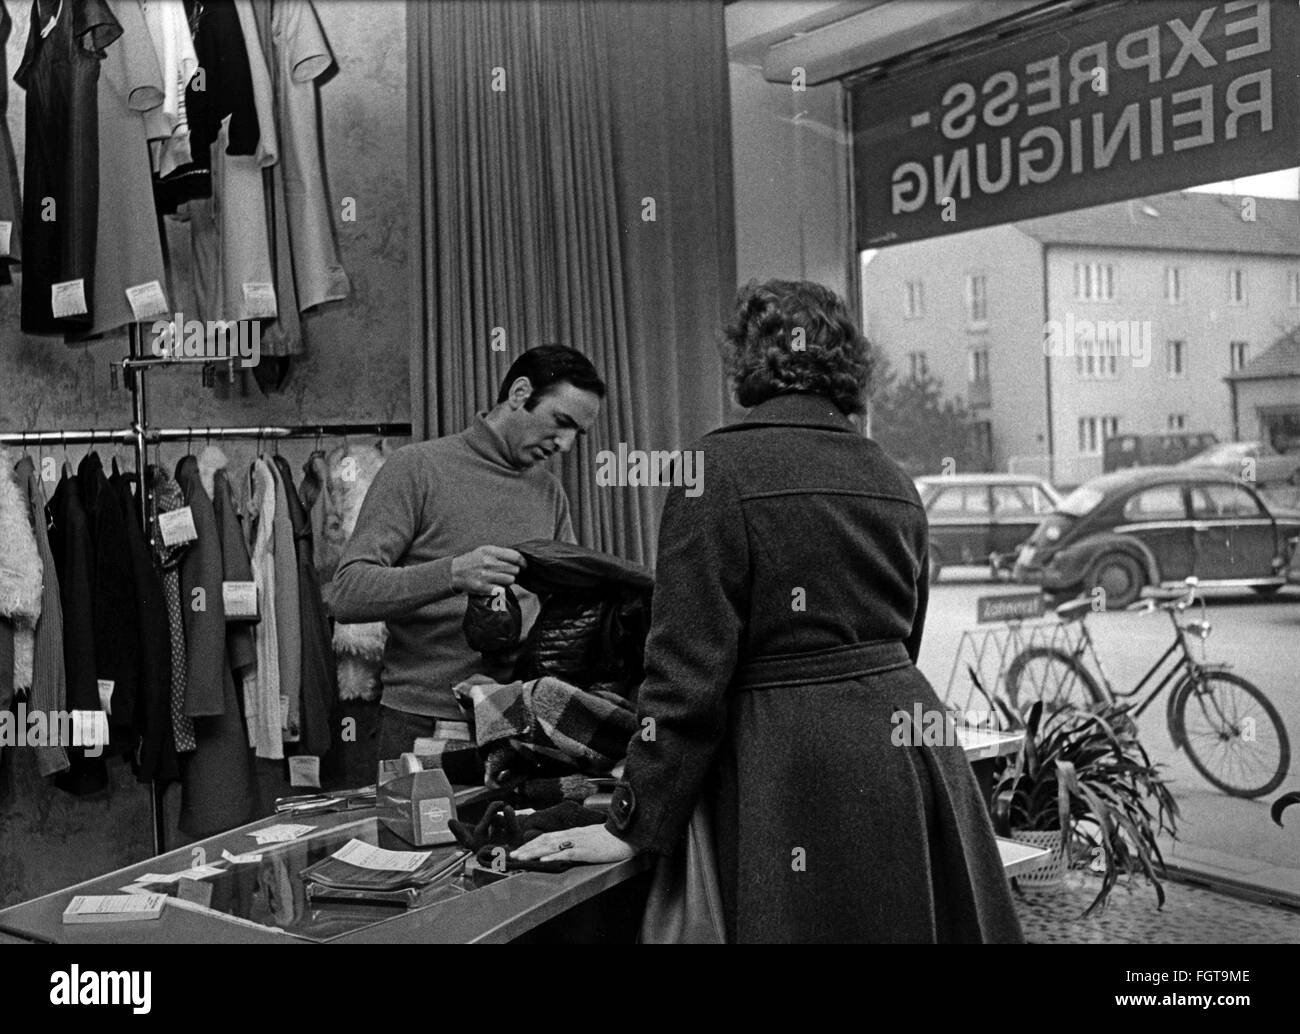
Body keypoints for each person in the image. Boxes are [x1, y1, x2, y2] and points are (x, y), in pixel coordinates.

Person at [513, 280, 1024, 944]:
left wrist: (633, 822)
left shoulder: (716, 469)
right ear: (850, 364)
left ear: (747, 360)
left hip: (789, 767)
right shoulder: (892, 476)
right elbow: (907, 637)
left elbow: (686, 676)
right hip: (909, 751)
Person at [331, 345, 605, 758]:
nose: (565, 445)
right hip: (420, 722)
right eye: (561, 422)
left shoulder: (549, 493)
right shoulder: (415, 469)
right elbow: (347, 593)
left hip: (517, 720)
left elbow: (563, 615)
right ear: (520, 393)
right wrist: (453, 574)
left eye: (576, 434)